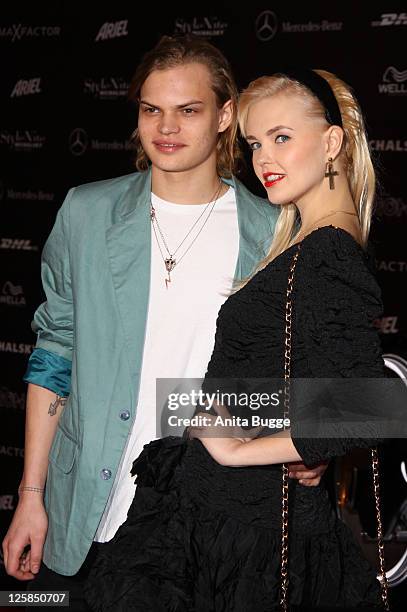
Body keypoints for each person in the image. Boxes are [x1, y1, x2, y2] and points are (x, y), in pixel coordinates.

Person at [1, 37, 324, 609]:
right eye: (152, 109)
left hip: (207, 517)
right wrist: (31, 494)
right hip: (89, 509)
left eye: (188, 110)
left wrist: (305, 445)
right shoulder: (86, 212)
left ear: (225, 116)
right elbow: (55, 355)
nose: (166, 127)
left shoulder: (274, 232)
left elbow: (295, 378)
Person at [83, 68, 387, 611]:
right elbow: (290, 395)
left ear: (332, 142)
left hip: (250, 532)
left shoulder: (326, 254)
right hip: (230, 522)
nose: (263, 158)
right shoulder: (304, 247)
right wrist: (231, 423)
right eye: (253, 143)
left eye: (282, 138)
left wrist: (236, 452)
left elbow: (368, 406)